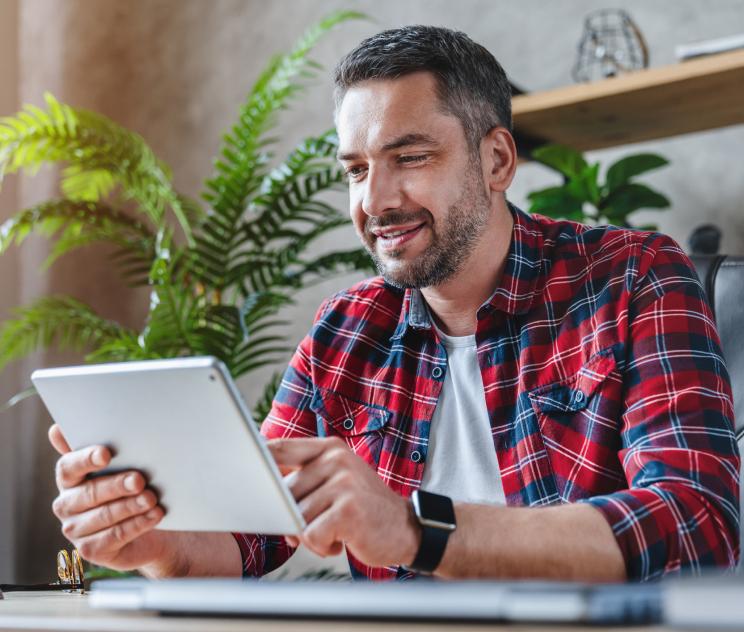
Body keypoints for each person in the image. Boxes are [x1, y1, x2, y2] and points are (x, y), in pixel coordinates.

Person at [48, 25, 740, 583]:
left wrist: (415, 530)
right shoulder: (346, 330)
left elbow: (695, 522)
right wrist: (154, 543)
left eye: (410, 158)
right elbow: (256, 533)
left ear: (497, 160)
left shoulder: (635, 279)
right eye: (356, 169)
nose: (374, 201)